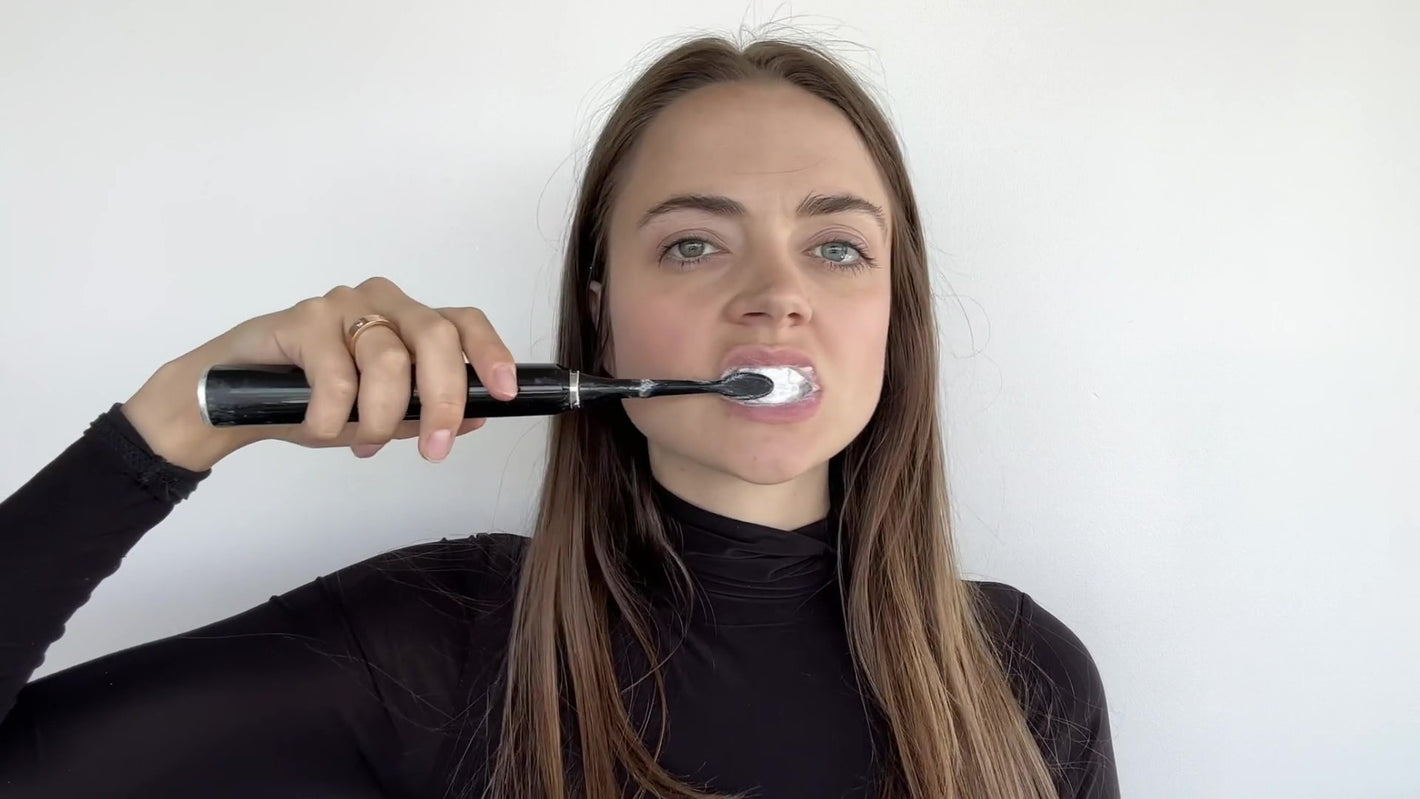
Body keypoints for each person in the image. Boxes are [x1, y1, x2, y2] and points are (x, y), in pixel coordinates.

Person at [0, 35, 1119, 799]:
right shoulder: (441, 643)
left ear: (892, 314)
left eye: (837, 246)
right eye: (693, 243)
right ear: (603, 321)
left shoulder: (1023, 675)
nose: (777, 293)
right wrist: (175, 421)